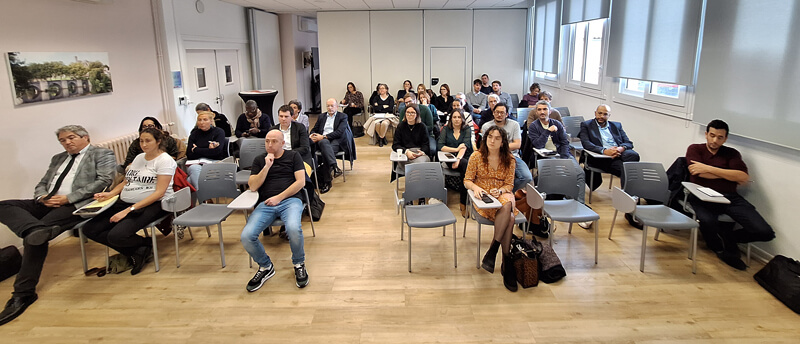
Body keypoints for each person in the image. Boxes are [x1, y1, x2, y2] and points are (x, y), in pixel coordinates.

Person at [0, 125, 115, 326]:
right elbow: (43, 182)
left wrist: (68, 198)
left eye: (71, 138)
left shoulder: (102, 154)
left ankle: (23, 293)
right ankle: (33, 229)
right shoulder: (57, 158)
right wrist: (42, 196)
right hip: (47, 202)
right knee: (5, 206)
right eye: (62, 140)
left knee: (39, 235)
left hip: (76, 204)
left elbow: (103, 181)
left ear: (85, 137)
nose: (67, 143)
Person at [82, 128, 177, 276]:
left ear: (158, 142)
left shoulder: (165, 161)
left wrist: (128, 210)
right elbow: (127, 181)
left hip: (153, 204)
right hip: (125, 202)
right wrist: (110, 193)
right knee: (89, 229)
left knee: (116, 236)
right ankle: (139, 249)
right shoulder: (139, 158)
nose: (144, 145)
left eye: (148, 141)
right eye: (141, 141)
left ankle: (142, 246)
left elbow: (160, 192)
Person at [685, 119, 774, 270]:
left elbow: (743, 178)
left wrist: (708, 168)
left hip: (730, 197)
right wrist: (728, 174)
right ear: (706, 134)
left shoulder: (732, 153)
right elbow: (697, 173)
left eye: (720, 137)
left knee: (765, 232)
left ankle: (730, 237)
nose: (715, 140)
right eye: (712, 135)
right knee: (707, 222)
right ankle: (719, 249)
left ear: (725, 138)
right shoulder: (695, 149)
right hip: (702, 196)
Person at [241, 130, 309, 292]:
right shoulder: (259, 160)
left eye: (274, 141)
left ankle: (299, 263)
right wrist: (267, 166)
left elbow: (300, 182)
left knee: (293, 228)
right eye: (267, 141)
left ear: (282, 143)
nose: (269, 145)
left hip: (291, 199)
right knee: (247, 236)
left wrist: (280, 197)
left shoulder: (293, 157)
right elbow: (253, 186)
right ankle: (265, 266)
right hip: (266, 203)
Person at [464, 125, 519, 292]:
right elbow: (467, 180)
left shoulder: (510, 159)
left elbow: (509, 184)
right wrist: (476, 188)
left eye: (497, 138)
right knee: (509, 217)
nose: (492, 141)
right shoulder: (476, 156)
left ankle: (495, 250)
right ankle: (506, 260)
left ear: (503, 142)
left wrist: (501, 190)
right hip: (484, 197)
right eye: (489, 137)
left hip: (501, 194)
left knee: (508, 205)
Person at [528, 100, 587, 205]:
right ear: (536, 112)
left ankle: (579, 203)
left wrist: (564, 160)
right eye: (539, 109)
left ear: (550, 111)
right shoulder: (534, 126)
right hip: (546, 156)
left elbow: (565, 143)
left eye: (545, 109)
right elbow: (538, 144)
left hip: (562, 154)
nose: (542, 112)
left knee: (579, 173)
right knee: (562, 173)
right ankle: (565, 197)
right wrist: (548, 131)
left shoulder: (557, 124)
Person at [578, 104, 640, 189]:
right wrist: (605, 151)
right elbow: (587, 144)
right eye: (599, 113)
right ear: (595, 113)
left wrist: (620, 149)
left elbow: (629, 143)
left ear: (609, 115)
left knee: (632, 159)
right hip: (601, 157)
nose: (601, 116)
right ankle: (632, 196)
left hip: (618, 155)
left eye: (605, 114)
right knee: (628, 169)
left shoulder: (616, 125)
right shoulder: (586, 125)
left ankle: (631, 196)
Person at [480, 103, 532, 192]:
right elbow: (485, 145)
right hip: (491, 156)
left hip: (512, 155)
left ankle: (503, 191)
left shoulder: (514, 125)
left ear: (507, 114)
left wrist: (497, 147)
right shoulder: (486, 126)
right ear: (493, 113)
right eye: (497, 112)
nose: (499, 115)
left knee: (526, 177)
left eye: (502, 113)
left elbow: (517, 145)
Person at [438, 109, 473, 216]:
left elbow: (465, 145)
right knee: (465, 168)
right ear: (451, 119)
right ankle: (463, 202)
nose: (457, 120)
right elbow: (441, 146)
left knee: (465, 165)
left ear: (462, 119)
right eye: (454, 117)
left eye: (459, 117)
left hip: (464, 157)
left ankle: (463, 203)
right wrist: (456, 150)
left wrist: (458, 158)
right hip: (449, 157)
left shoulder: (466, 129)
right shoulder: (446, 129)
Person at [310, 99, 348, 193]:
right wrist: (313, 135)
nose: (330, 108)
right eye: (328, 106)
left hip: (336, 141)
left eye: (332, 106)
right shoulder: (322, 116)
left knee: (325, 152)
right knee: (323, 143)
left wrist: (323, 136)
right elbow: (314, 129)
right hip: (322, 142)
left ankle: (327, 182)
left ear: (337, 106)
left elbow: (339, 132)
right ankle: (334, 167)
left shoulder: (343, 116)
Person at [186, 111, 227, 188]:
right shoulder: (194, 134)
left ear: (211, 121)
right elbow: (189, 155)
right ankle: (205, 196)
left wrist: (196, 150)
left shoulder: (218, 132)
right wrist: (208, 150)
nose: (202, 122)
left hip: (214, 162)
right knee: (193, 168)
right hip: (197, 163)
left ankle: (203, 196)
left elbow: (217, 152)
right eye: (199, 120)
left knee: (189, 180)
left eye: (205, 120)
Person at [392, 103, 431, 171]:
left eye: (413, 112)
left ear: (417, 114)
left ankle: (414, 179)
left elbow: (426, 144)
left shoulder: (422, 126)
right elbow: (395, 145)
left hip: (419, 154)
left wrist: (422, 152)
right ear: (405, 114)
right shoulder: (400, 126)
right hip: (405, 153)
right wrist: (407, 152)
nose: (410, 115)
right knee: (414, 168)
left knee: (419, 164)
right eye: (408, 112)